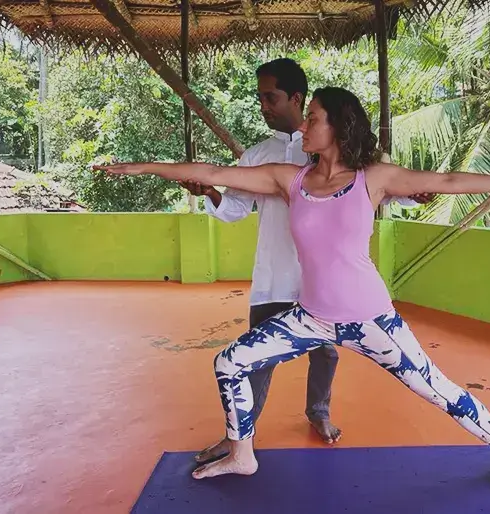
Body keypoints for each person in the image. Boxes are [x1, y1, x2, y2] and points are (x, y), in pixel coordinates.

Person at [94, 87, 490, 497]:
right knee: (230, 362)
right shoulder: (291, 180)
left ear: (339, 127)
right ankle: (242, 454)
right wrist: (141, 168)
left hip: (371, 320)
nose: (304, 127)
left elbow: (445, 181)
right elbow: (213, 173)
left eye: (313, 119)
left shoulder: (373, 178)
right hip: (311, 316)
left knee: (440, 392)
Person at [179, 59, 430, 462]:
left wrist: (413, 194)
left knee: (326, 353)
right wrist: (209, 192)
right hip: (275, 276)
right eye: (260, 97)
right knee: (254, 360)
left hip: (325, 283)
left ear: (296, 98)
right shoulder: (259, 156)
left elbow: (377, 188)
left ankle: (319, 413)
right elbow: (234, 209)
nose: (263, 105)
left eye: (270, 96)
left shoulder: (337, 149)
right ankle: (238, 437)